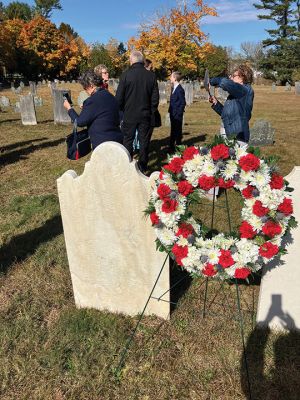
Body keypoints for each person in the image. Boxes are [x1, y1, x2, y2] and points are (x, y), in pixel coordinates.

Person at [116, 50, 159, 174]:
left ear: (131, 60)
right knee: (144, 141)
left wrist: (122, 111)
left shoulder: (125, 75)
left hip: (129, 114)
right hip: (145, 114)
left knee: (127, 140)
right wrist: (151, 110)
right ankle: (143, 166)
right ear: (142, 61)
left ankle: (127, 165)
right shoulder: (151, 76)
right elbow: (155, 98)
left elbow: (119, 98)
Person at [63, 70, 123, 150]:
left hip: (102, 144)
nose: (85, 90)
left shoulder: (91, 101)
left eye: (85, 87)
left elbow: (80, 122)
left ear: (91, 85)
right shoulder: (110, 96)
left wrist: (69, 109)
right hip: (117, 140)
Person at [209, 64, 254, 146]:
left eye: (233, 76)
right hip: (226, 131)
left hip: (237, 135)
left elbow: (226, 83)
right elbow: (226, 114)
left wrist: (212, 81)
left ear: (242, 77)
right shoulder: (235, 94)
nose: (231, 78)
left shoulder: (245, 90)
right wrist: (216, 103)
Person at [168, 71, 186, 152]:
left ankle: (178, 148)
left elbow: (182, 103)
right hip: (173, 113)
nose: (170, 78)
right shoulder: (173, 87)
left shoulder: (180, 89)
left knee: (178, 132)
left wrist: (178, 114)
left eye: (171, 76)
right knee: (173, 131)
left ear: (175, 78)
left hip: (177, 115)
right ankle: (171, 148)